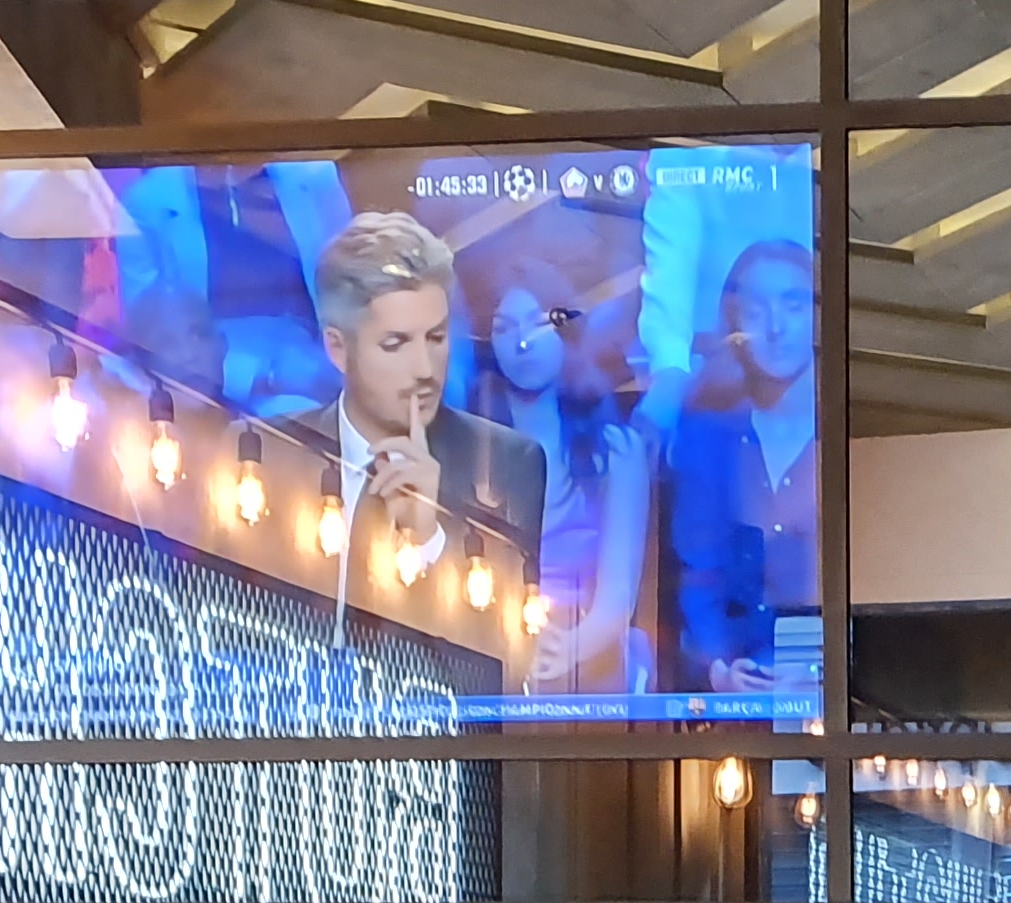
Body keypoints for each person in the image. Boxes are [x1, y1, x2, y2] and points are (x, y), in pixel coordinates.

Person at [301, 212, 546, 620]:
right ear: (338, 349)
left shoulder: (505, 464)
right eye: (396, 344)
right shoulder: (269, 450)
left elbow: (509, 648)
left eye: (436, 338)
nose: (425, 369)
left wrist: (430, 540)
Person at [476, 259, 656, 696]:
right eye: (504, 329)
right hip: (482, 644)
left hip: (586, 657)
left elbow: (617, 598)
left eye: (537, 324)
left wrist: (567, 649)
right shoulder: (471, 440)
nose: (521, 343)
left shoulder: (617, 449)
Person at [666, 238, 825, 698]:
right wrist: (719, 668)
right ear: (734, 324)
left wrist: (822, 672)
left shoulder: (847, 435)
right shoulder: (706, 439)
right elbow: (699, 576)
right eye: (756, 311)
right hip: (735, 697)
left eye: (793, 305)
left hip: (835, 697)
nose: (775, 327)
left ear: (817, 316)